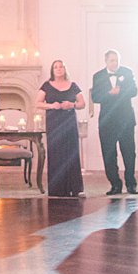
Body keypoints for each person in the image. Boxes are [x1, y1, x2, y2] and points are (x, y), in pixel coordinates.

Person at [91, 50, 138, 196]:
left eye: (117, 60)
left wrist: (121, 91)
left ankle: (131, 184)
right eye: (112, 60)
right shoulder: (98, 76)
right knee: (109, 154)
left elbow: (134, 91)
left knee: (129, 152)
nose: (115, 63)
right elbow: (95, 97)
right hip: (107, 121)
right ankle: (115, 184)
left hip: (126, 120)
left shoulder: (127, 72)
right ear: (106, 61)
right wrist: (109, 94)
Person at [37, 60, 85, 198]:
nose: (58, 69)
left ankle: (73, 187)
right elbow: (38, 103)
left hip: (69, 122)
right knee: (56, 153)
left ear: (65, 69)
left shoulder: (73, 85)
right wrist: (52, 106)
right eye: (55, 67)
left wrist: (72, 104)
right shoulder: (46, 85)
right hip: (54, 123)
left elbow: (82, 103)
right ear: (52, 70)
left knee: (71, 153)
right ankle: (57, 188)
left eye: (61, 67)